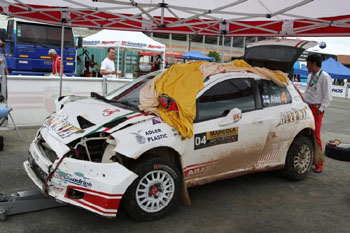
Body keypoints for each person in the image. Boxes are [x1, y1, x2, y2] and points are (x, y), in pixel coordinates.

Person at [304, 53, 332, 173]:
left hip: (317, 109)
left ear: (314, 64)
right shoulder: (310, 76)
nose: (306, 66)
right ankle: (310, 160)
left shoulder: (325, 77)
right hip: (308, 106)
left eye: (308, 64)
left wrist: (321, 110)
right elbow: (307, 91)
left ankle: (319, 163)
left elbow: (328, 97)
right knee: (306, 134)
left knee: (316, 136)